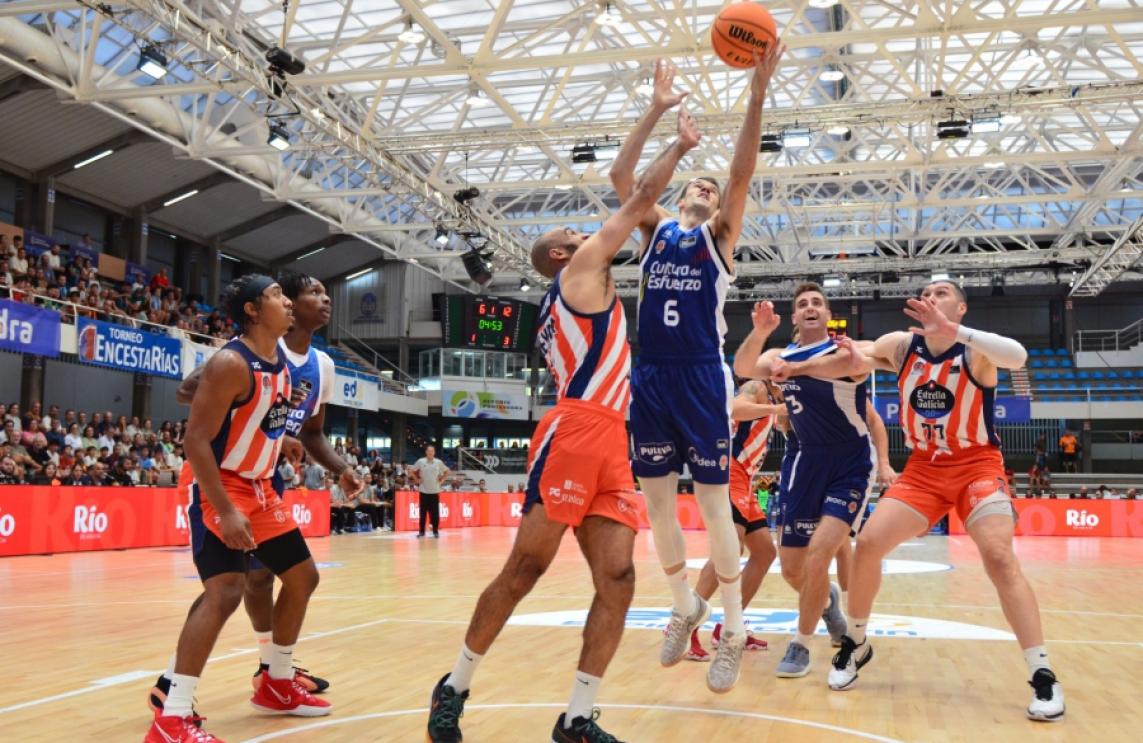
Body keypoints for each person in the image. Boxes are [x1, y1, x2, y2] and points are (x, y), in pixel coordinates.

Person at [425, 80, 700, 743]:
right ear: (559, 254)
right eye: (573, 232)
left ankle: (577, 716)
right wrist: (675, 139)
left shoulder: (582, 282)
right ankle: (453, 686)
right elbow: (638, 196)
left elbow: (630, 191)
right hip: (576, 429)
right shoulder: (579, 272)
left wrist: (659, 122)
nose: (586, 232)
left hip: (611, 439)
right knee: (525, 570)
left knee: (619, 577)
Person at [789, 280, 1065, 721]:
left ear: (960, 307)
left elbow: (1018, 356)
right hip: (923, 469)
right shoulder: (902, 346)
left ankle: (1042, 672)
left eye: (942, 293)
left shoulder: (974, 351)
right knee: (869, 544)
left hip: (977, 465)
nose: (932, 297)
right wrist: (807, 362)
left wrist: (955, 331)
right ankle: (856, 643)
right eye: (928, 292)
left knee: (998, 557)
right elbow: (856, 358)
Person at [609, 45, 784, 693]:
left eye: (711, 188)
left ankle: (732, 628)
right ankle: (685, 605)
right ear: (679, 194)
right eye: (695, 184)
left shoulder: (719, 237)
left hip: (701, 375)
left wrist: (756, 95)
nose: (706, 189)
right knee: (656, 504)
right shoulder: (653, 230)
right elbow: (622, 176)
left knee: (713, 507)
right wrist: (659, 113)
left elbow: (740, 173)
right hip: (651, 374)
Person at [150, 272, 359, 720]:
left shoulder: (286, 362)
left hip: (262, 483)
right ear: (253, 310)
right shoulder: (234, 359)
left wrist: (282, 441)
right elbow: (196, 434)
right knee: (228, 589)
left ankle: (275, 681)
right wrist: (226, 508)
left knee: (301, 577)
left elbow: (268, 417)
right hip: (222, 482)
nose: (292, 302)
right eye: (281, 295)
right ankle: (173, 705)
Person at [732, 286, 887, 679]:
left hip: (849, 462)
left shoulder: (848, 350)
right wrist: (760, 332)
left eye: (817, 302)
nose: (810, 307)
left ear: (828, 314)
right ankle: (827, 601)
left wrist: (884, 463)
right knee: (792, 570)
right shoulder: (779, 356)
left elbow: (848, 369)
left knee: (822, 552)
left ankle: (800, 644)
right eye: (802, 304)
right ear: (795, 319)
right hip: (804, 463)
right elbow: (744, 367)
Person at [686, 380, 784, 661]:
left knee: (765, 552)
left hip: (747, 480)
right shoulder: (758, 386)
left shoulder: (782, 397)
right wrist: (775, 408)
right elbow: (735, 407)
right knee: (728, 550)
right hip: (731, 472)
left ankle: (730, 626)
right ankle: (684, 626)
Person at [410, 445, 450, 538]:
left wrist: (442, 480)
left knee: (435, 514)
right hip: (423, 491)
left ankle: (435, 531)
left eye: (432, 451)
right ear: (426, 452)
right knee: (422, 513)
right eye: (429, 451)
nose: (430, 452)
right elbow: (411, 471)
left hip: (435, 492)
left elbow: (447, 471)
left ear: (434, 452)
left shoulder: (438, 462)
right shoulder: (421, 461)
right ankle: (421, 532)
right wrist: (416, 480)